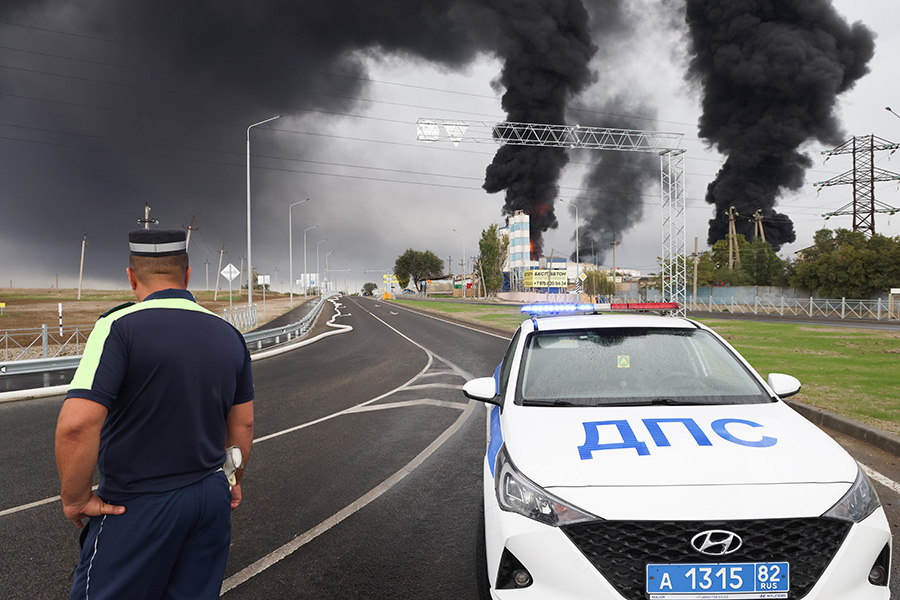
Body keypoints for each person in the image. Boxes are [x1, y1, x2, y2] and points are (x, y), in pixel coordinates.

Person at [55, 229, 254, 600]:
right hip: (211, 496)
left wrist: (76, 498)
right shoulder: (230, 335)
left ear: (131, 278)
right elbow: (242, 424)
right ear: (188, 275)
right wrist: (233, 479)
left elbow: (77, 424)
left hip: (139, 502)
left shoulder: (118, 327)